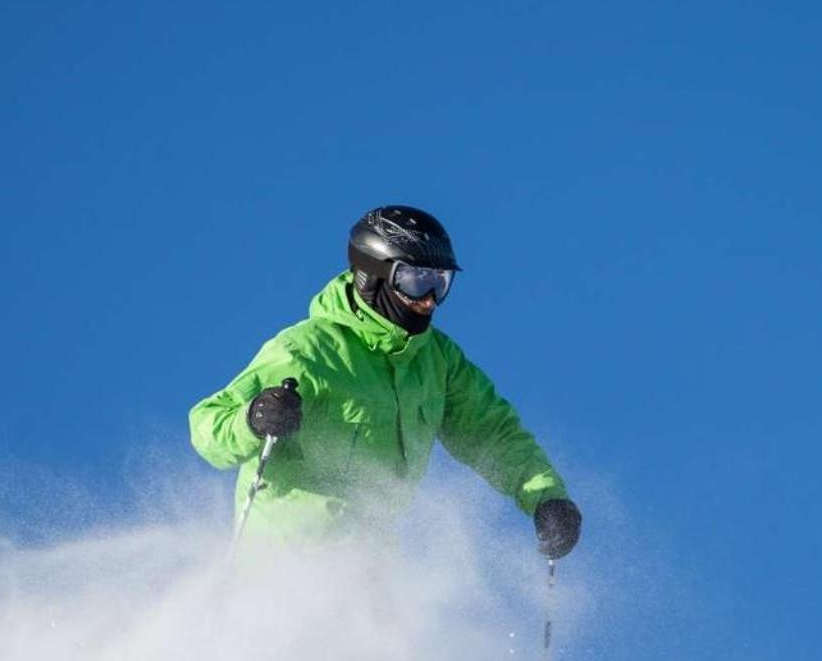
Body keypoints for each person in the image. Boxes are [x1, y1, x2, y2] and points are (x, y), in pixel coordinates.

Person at [189, 205, 583, 559]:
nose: (428, 299)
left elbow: (492, 434)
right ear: (371, 277)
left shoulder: (437, 360)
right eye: (415, 281)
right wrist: (254, 417)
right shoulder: (308, 350)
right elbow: (207, 426)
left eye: (440, 283)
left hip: (368, 575)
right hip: (284, 566)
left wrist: (546, 497)